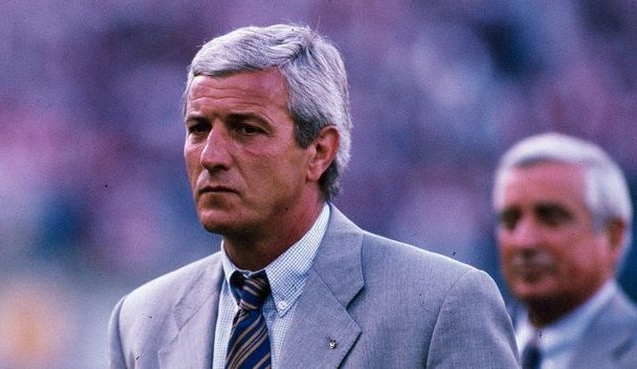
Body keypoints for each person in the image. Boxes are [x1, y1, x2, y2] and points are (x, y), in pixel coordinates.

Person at [109, 23, 518, 368]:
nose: (211, 156)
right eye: (198, 129)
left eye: (247, 129)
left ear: (320, 151)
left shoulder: (442, 305)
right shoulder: (141, 321)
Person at [493, 132, 637, 369]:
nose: (524, 242)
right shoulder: (465, 345)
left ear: (613, 236)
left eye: (551, 218)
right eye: (510, 220)